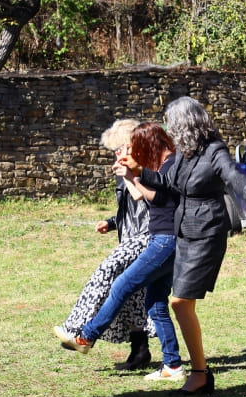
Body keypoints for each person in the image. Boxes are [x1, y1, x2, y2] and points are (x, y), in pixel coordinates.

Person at [123, 96, 246, 394]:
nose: (169, 130)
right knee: (181, 303)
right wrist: (139, 171)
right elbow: (169, 184)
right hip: (184, 231)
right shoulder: (186, 155)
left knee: (179, 302)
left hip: (207, 231)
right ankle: (199, 373)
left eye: (172, 124)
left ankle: (200, 373)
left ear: (184, 124)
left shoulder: (214, 151)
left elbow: (234, 178)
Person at [56, 122, 184, 381]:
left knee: (121, 285)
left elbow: (158, 199)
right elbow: (151, 198)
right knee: (155, 305)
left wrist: (134, 174)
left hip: (163, 241)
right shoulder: (163, 167)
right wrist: (129, 177)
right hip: (165, 241)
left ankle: (86, 336)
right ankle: (172, 365)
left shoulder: (170, 166)